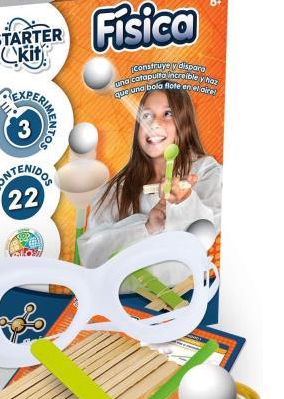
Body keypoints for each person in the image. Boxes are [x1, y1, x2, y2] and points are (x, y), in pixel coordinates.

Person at [77, 81, 221, 287]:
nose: (153, 124)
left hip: (188, 295)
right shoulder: (116, 190)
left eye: (167, 114)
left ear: (185, 123)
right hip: (125, 299)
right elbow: (91, 255)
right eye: (146, 116)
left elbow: (207, 234)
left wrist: (185, 203)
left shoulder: (206, 171)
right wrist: (146, 227)